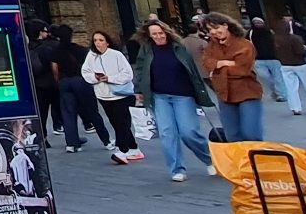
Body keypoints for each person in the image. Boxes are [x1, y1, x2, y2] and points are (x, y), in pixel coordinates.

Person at [132, 20, 217, 182]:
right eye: (154, 34)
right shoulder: (147, 49)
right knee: (167, 134)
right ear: (149, 36)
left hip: (183, 95)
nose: (158, 37)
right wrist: (138, 91)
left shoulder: (179, 47)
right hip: (159, 96)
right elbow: (140, 70)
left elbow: (192, 70)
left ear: (166, 32)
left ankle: (210, 159)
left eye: (160, 33)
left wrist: (201, 92)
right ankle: (177, 169)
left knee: (189, 132)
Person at [201, 12, 263, 141]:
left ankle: (256, 158)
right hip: (224, 94)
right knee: (232, 136)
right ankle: (239, 160)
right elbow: (206, 62)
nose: (213, 32)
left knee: (251, 134)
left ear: (225, 25)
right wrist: (225, 63)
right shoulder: (211, 46)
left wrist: (217, 68)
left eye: (216, 27)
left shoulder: (244, 44)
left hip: (247, 92)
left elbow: (242, 69)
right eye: (210, 29)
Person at [83, 31, 141, 164]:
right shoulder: (91, 56)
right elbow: (85, 72)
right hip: (103, 95)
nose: (98, 43)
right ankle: (134, 148)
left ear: (107, 42)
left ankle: (123, 150)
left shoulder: (116, 55)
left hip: (120, 95)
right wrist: (95, 78)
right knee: (116, 123)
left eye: (101, 40)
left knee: (122, 123)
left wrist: (110, 78)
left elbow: (128, 74)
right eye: (95, 40)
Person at [51, 24, 109, 153]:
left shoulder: (56, 51)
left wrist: (59, 82)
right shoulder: (80, 50)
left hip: (64, 82)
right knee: (92, 111)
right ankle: (106, 141)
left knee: (68, 114)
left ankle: (71, 144)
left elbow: (54, 70)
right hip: (81, 80)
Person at [274, 17, 306, 116]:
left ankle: (295, 108)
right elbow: (300, 52)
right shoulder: (295, 38)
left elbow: (275, 53)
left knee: (291, 88)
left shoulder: (276, 39)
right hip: (300, 65)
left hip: (285, 65)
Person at [27, 20, 61, 143]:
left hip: (35, 85)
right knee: (64, 110)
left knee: (41, 114)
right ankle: (72, 139)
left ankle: (42, 137)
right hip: (50, 84)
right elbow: (54, 67)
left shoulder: (26, 47)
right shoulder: (46, 48)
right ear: (40, 32)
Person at [248, 18, 287, 102]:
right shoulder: (250, 33)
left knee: (278, 77)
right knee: (265, 77)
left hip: (274, 58)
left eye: (259, 22)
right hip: (258, 59)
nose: (257, 24)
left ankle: (282, 95)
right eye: (255, 22)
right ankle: (276, 91)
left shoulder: (270, 32)